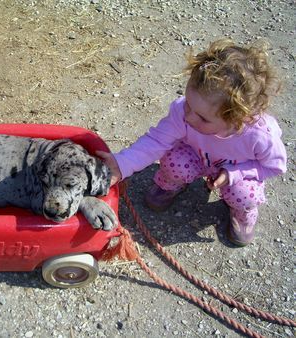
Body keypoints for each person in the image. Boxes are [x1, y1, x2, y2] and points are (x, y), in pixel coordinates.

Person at [97, 38, 287, 247]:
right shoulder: (185, 113)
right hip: (195, 158)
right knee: (173, 160)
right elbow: (156, 140)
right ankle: (171, 185)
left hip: (238, 173)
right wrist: (122, 164)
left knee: (244, 195)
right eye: (188, 103)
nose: (188, 117)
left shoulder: (260, 137)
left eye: (203, 118)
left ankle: (242, 213)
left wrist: (235, 174)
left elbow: (274, 167)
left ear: (237, 118)